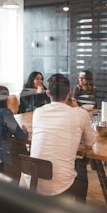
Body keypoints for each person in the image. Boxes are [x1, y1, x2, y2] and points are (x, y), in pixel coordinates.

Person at [20, 73, 95, 204]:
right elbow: (90, 142)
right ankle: (79, 207)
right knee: (81, 168)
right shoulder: (80, 113)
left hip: (31, 181)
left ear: (48, 93)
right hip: (60, 186)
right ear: (70, 92)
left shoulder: (38, 112)